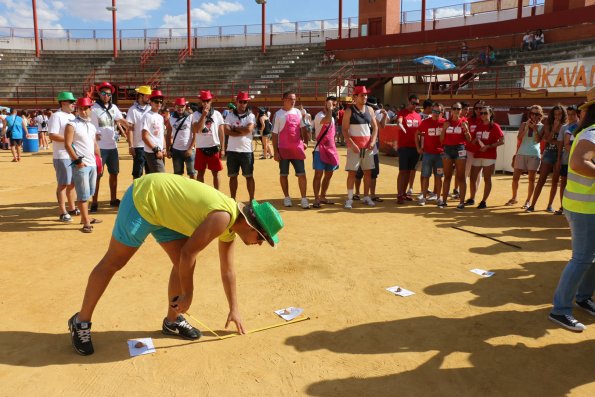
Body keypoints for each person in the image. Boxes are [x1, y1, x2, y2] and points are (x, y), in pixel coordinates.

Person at [67, 172, 285, 355]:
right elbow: (189, 254)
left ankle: (172, 321)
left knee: (180, 261)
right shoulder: (224, 218)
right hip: (144, 200)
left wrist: (234, 309)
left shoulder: (232, 227)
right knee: (114, 262)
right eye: (261, 239)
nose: (259, 244)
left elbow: (228, 270)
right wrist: (188, 295)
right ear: (251, 227)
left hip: (164, 211)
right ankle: (81, 322)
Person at [548, 88, 595, 332]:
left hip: (587, 205)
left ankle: (584, 297)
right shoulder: (593, 133)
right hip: (584, 207)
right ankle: (560, 310)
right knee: (582, 258)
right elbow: (579, 163)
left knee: (591, 258)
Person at [64, 97, 102, 233]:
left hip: (92, 163)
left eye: (86, 108)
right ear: (77, 109)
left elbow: (94, 144)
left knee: (90, 191)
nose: (83, 111)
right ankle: (86, 222)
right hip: (81, 163)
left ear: (90, 109)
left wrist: (100, 160)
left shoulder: (91, 126)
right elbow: (67, 144)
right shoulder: (71, 124)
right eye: (81, 108)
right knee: (83, 194)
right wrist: (77, 161)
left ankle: (85, 217)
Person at [90, 82, 127, 213]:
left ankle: (113, 199)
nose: (106, 96)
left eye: (109, 94)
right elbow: (90, 124)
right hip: (99, 147)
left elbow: (120, 120)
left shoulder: (114, 107)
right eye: (104, 93)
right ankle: (94, 201)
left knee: (114, 173)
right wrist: (94, 134)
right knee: (97, 175)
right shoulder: (93, 108)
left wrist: (131, 126)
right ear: (99, 94)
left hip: (112, 146)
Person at [272, 90, 310, 209]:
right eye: (290, 99)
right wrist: (276, 152)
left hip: (297, 149)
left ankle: (304, 198)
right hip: (283, 149)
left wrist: (306, 142)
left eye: (294, 99)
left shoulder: (298, 112)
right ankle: (287, 197)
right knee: (284, 174)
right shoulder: (278, 114)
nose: (293, 101)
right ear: (284, 100)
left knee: (302, 174)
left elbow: (303, 128)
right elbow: (274, 134)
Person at [342, 86, 378, 209]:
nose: (365, 97)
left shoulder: (370, 109)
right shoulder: (349, 111)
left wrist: (373, 141)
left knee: (368, 172)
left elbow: (375, 127)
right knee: (352, 173)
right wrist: (352, 144)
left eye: (365, 95)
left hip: (368, 147)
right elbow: (345, 130)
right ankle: (350, 198)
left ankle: (366, 197)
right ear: (355, 97)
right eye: (362, 95)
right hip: (354, 148)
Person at [527, 104, 567, 212]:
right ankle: (532, 205)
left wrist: (553, 140)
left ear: (563, 115)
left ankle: (549, 205)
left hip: (560, 154)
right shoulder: (548, 124)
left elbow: (562, 144)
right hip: (549, 153)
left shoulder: (565, 126)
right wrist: (554, 129)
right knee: (541, 179)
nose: (557, 116)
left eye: (559, 114)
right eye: (555, 114)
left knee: (555, 181)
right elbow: (546, 139)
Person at [507, 105, 544, 208]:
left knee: (531, 179)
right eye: (532, 113)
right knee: (515, 178)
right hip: (521, 153)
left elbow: (538, 140)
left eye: (536, 114)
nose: (533, 116)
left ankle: (528, 201)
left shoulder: (542, 126)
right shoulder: (524, 124)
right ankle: (514, 198)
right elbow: (519, 137)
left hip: (534, 154)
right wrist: (527, 127)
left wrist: (535, 129)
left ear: (540, 115)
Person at [469, 106, 504, 209]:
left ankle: (484, 201)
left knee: (487, 179)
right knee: (472, 178)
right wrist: (475, 141)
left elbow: (502, 141)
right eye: (481, 113)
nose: (483, 115)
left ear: (490, 114)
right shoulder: (478, 126)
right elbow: (473, 140)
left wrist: (489, 146)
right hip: (478, 154)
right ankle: (472, 198)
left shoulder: (495, 126)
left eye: (485, 113)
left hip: (489, 156)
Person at [224, 92, 257, 201]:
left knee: (249, 176)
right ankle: (233, 199)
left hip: (246, 151)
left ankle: (252, 200)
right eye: (241, 101)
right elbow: (226, 131)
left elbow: (248, 130)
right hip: (232, 151)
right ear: (236, 102)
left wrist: (234, 128)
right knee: (233, 176)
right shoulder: (229, 115)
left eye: (245, 102)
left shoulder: (251, 116)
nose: (243, 104)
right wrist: (242, 130)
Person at [354, 96, 386, 202]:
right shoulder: (360, 114)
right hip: (362, 146)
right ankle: (357, 193)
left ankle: (371, 194)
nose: (374, 109)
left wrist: (384, 115)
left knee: (373, 173)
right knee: (359, 172)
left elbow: (381, 127)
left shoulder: (374, 114)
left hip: (373, 148)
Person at [192, 90, 226, 190]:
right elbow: (197, 130)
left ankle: (217, 193)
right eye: (203, 101)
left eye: (208, 100)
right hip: (201, 147)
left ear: (211, 100)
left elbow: (221, 132)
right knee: (200, 172)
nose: (205, 103)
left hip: (214, 146)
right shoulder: (196, 114)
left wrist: (223, 148)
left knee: (216, 172)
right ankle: (201, 194)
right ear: (200, 101)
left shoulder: (217, 114)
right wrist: (203, 115)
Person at [440, 102, 471, 209]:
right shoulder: (446, 122)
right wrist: (444, 129)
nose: (456, 111)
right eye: (454, 109)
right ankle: (443, 201)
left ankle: (461, 202)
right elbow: (441, 139)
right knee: (447, 176)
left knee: (461, 177)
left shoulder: (464, 121)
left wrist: (466, 130)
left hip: (460, 149)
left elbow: (469, 139)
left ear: (461, 110)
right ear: (451, 110)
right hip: (447, 149)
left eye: (458, 109)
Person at [312, 95, 340, 208]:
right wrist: (330, 109)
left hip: (331, 150)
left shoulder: (332, 117)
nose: (333, 106)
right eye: (331, 103)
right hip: (320, 150)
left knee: (329, 174)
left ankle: (323, 196)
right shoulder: (319, 116)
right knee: (318, 174)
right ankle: (316, 198)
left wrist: (331, 110)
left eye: (334, 104)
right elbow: (327, 120)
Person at [416, 102, 445, 207]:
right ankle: (423, 197)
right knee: (425, 176)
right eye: (434, 111)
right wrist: (419, 148)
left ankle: (438, 198)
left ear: (442, 112)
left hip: (440, 155)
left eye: (438, 111)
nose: (436, 113)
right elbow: (417, 133)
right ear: (431, 111)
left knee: (439, 177)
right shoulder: (425, 122)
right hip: (428, 154)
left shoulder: (444, 123)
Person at [554, 105, 580, 215]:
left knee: (576, 183)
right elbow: (560, 145)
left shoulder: (581, 126)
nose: (571, 117)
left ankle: (574, 207)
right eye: (569, 114)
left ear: (577, 114)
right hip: (565, 159)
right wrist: (559, 159)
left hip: (578, 160)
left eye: (573, 114)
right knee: (563, 182)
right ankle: (562, 206)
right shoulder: (564, 127)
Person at [395, 94, 421, 204]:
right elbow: (399, 121)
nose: (414, 105)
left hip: (415, 148)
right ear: (408, 102)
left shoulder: (418, 116)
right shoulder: (402, 113)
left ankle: (404, 193)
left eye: (416, 104)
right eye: (413, 103)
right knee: (403, 171)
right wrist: (400, 124)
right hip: (404, 147)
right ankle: (400, 194)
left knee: (410, 172)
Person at [126, 85, 152, 179]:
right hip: (138, 146)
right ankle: (136, 193)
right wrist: (131, 146)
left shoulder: (151, 109)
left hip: (150, 145)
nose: (149, 98)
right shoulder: (132, 110)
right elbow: (130, 129)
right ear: (141, 96)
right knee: (138, 173)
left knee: (151, 173)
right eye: (147, 95)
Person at [166, 97, 195, 179]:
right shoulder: (171, 118)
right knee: (177, 175)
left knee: (192, 173)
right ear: (175, 107)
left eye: (182, 106)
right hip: (176, 150)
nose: (180, 108)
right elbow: (168, 134)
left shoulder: (190, 117)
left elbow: (195, 134)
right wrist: (168, 150)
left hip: (189, 149)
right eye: (178, 106)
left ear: (185, 107)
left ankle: (192, 191)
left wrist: (190, 148)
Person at [141, 90, 167, 173]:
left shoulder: (160, 117)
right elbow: (145, 136)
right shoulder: (147, 116)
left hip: (159, 151)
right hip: (152, 152)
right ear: (151, 102)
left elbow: (161, 134)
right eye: (156, 101)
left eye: (161, 102)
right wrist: (156, 150)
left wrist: (164, 148)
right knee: (161, 177)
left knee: (154, 178)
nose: (159, 104)